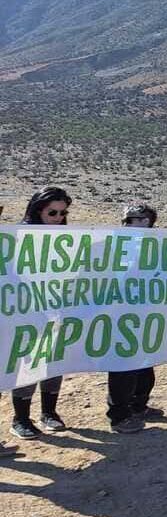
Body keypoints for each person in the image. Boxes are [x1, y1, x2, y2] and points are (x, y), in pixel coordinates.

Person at [8, 188, 72, 441]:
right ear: (37, 211)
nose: (58, 217)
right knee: (27, 365)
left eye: (62, 212)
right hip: (26, 313)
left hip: (55, 311)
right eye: (52, 212)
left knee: (54, 362)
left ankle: (49, 413)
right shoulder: (17, 236)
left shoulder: (68, 238)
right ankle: (20, 419)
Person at [106, 205, 167, 433]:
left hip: (146, 314)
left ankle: (139, 406)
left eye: (147, 221)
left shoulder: (156, 245)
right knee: (122, 367)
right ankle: (119, 416)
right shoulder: (112, 246)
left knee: (144, 365)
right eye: (137, 219)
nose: (144, 224)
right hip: (119, 315)